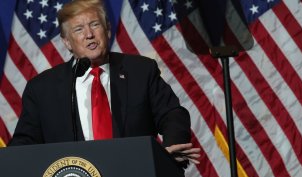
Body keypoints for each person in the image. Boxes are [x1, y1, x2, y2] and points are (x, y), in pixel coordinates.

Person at [9, 0, 200, 166]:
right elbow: (25, 143)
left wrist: (168, 150)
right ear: (67, 42)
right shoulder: (42, 88)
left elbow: (172, 114)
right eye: (78, 29)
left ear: (108, 30)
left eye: (95, 24)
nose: (89, 34)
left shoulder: (140, 71)